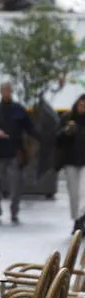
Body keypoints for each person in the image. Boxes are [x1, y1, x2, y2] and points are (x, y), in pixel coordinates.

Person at [0, 82, 36, 224]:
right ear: (1, 92)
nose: (7, 93)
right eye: (4, 90)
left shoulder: (19, 110)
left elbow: (29, 127)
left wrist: (39, 137)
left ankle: (14, 210)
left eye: (9, 90)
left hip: (15, 151)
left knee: (16, 183)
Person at [56, 95, 85, 231]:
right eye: (81, 105)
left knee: (83, 192)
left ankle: (81, 219)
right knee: (74, 193)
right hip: (71, 161)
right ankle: (76, 219)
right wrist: (66, 132)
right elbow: (57, 140)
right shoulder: (68, 118)